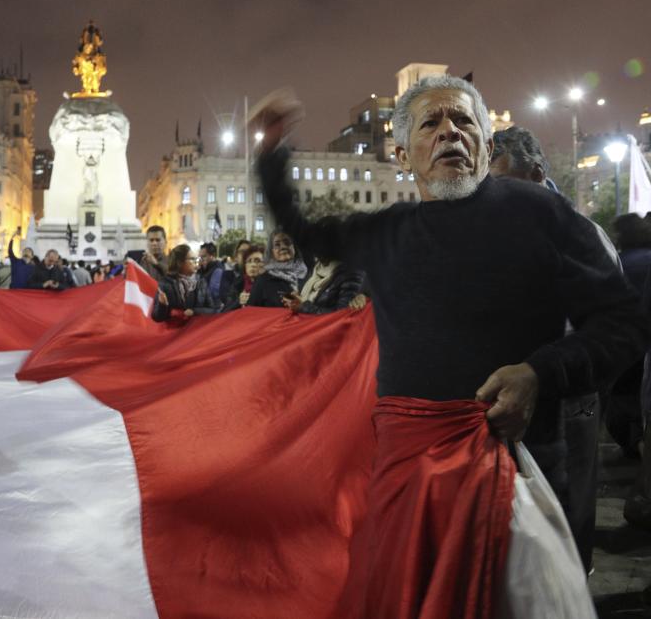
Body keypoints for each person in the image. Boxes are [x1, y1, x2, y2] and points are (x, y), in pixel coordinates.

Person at [255, 76, 648, 617]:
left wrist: (539, 374)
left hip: (519, 479)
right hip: (408, 486)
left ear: (487, 145)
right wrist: (270, 153)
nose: (450, 133)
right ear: (401, 154)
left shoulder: (541, 215)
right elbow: (306, 229)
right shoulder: (387, 232)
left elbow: (624, 322)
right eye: (432, 123)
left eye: (465, 122)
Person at [491, 125, 620, 572]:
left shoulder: (581, 236)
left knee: (567, 507)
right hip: (509, 398)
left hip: (569, 400)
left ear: (538, 173)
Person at [151, 244, 217, 322]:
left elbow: (213, 310)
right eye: (192, 259)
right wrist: (163, 305)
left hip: (197, 330)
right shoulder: (166, 283)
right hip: (175, 331)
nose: (197, 262)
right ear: (180, 262)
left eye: (196, 259)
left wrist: (194, 311)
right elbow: (156, 317)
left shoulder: (201, 281)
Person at [246, 231, 307, 308]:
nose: (283, 247)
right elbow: (251, 312)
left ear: (294, 247)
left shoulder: (308, 275)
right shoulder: (263, 281)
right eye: (277, 245)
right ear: (272, 252)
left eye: (287, 242)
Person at [222, 244, 266, 311]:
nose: (253, 265)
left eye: (257, 261)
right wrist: (238, 302)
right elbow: (225, 312)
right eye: (249, 261)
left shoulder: (271, 286)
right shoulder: (238, 284)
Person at [197, 242, 226, 308]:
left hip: (212, 309)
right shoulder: (202, 269)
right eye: (200, 257)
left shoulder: (218, 270)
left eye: (204, 256)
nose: (201, 259)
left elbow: (213, 296)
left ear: (212, 256)